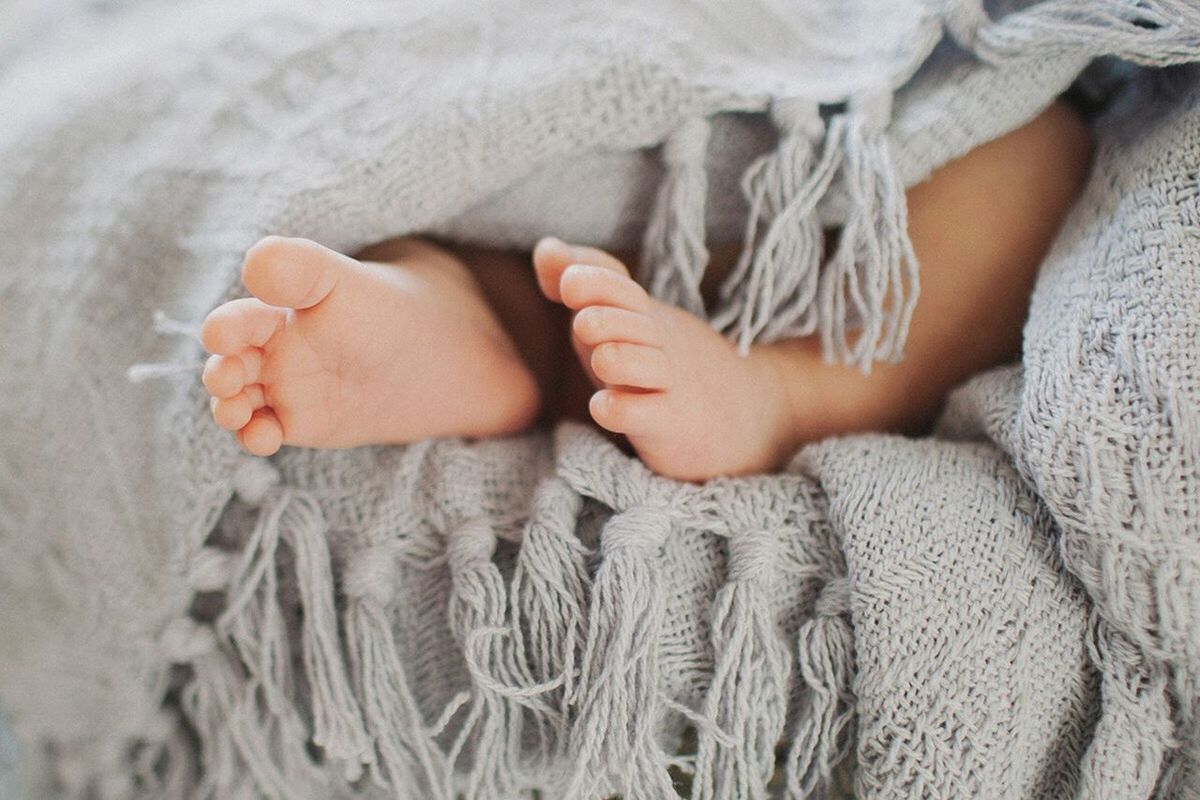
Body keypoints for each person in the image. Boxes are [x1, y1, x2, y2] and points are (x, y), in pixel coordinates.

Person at [199, 101, 1090, 481]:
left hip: (846, 176)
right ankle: (452, 316)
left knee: (1030, 147)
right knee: (418, 171)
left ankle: (785, 389)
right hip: (590, 146)